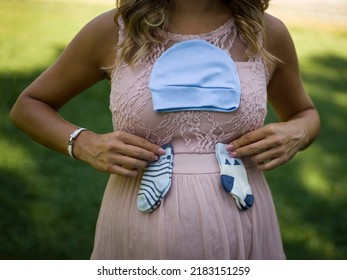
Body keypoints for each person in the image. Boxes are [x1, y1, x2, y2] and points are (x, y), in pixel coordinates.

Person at [10, 0, 320, 260]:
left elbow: (305, 113)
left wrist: (298, 132)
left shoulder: (266, 32)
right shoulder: (114, 29)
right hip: (140, 223)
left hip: (245, 222)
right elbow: (30, 105)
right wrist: (83, 143)